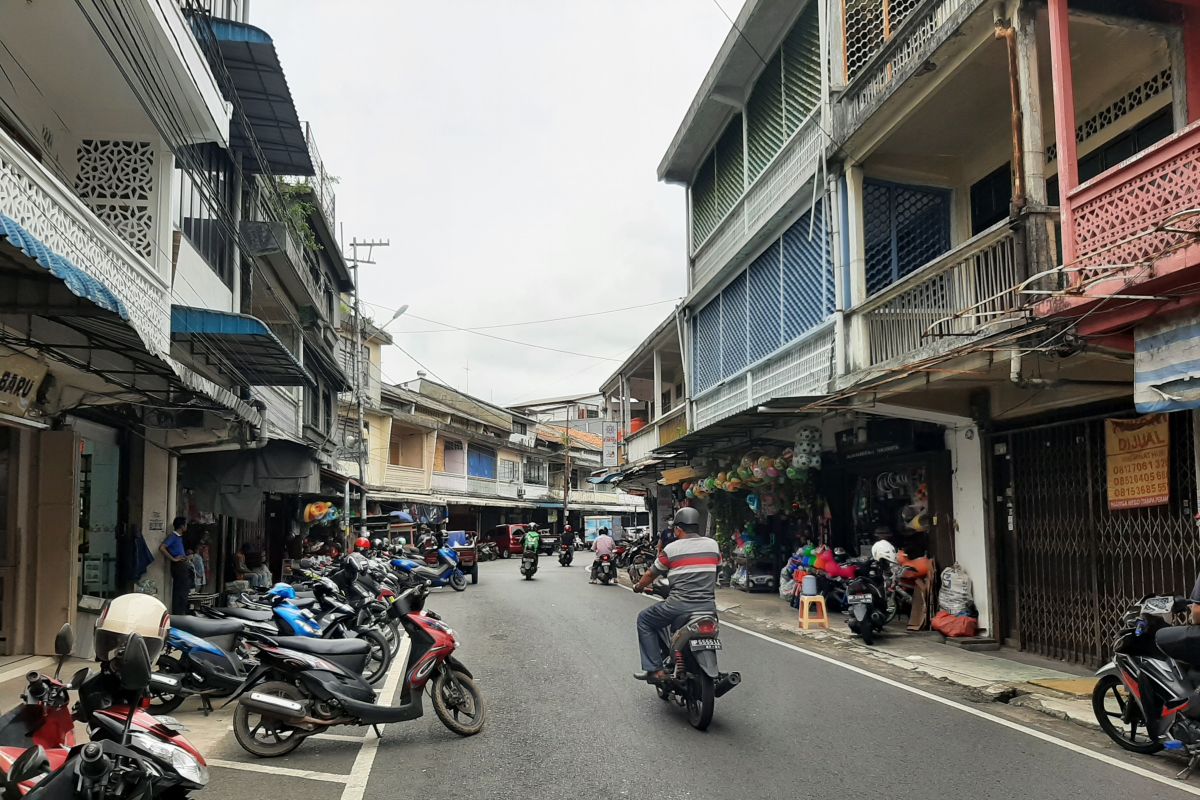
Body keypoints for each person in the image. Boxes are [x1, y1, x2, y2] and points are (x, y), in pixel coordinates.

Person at [631, 507, 719, 682]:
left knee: (644, 619)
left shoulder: (671, 549)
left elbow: (651, 574)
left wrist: (638, 586)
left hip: (678, 606)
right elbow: (716, 570)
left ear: (678, 529)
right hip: (709, 608)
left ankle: (655, 669)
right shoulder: (713, 545)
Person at [160, 517, 191, 615]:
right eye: (185, 524)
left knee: (184, 589)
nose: (186, 527)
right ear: (182, 526)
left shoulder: (179, 537)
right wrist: (173, 558)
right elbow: (162, 547)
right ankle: (178, 613)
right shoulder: (173, 536)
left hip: (182, 564)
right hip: (178, 566)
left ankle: (181, 611)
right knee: (180, 590)